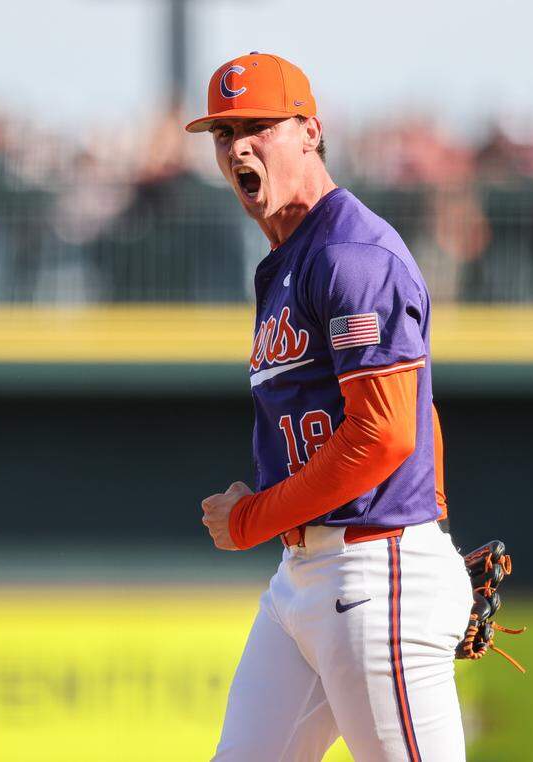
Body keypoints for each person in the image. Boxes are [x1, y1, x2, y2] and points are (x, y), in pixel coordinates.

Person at [191, 52, 473, 761]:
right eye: (224, 134)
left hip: (374, 570)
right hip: (306, 580)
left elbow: (381, 435)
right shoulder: (290, 257)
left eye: (259, 126)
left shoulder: (351, 253)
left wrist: (255, 516)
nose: (238, 148)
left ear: (310, 131)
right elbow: (413, 414)